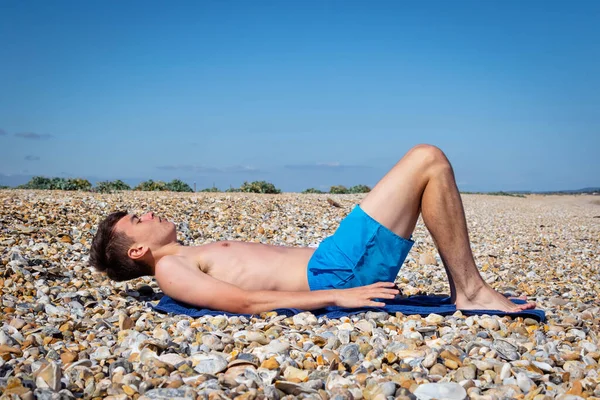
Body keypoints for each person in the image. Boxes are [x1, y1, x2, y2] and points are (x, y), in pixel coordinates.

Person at [89, 144, 535, 314]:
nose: (147, 214)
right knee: (427, 159)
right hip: (336, 273)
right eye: (137, 221)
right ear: (135, 251)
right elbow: (244, 302)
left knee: (428, 165)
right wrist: (335, 296)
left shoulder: (187, 253)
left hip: (335, 262)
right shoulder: (171, 270)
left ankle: (470, 288)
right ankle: (472, 292)